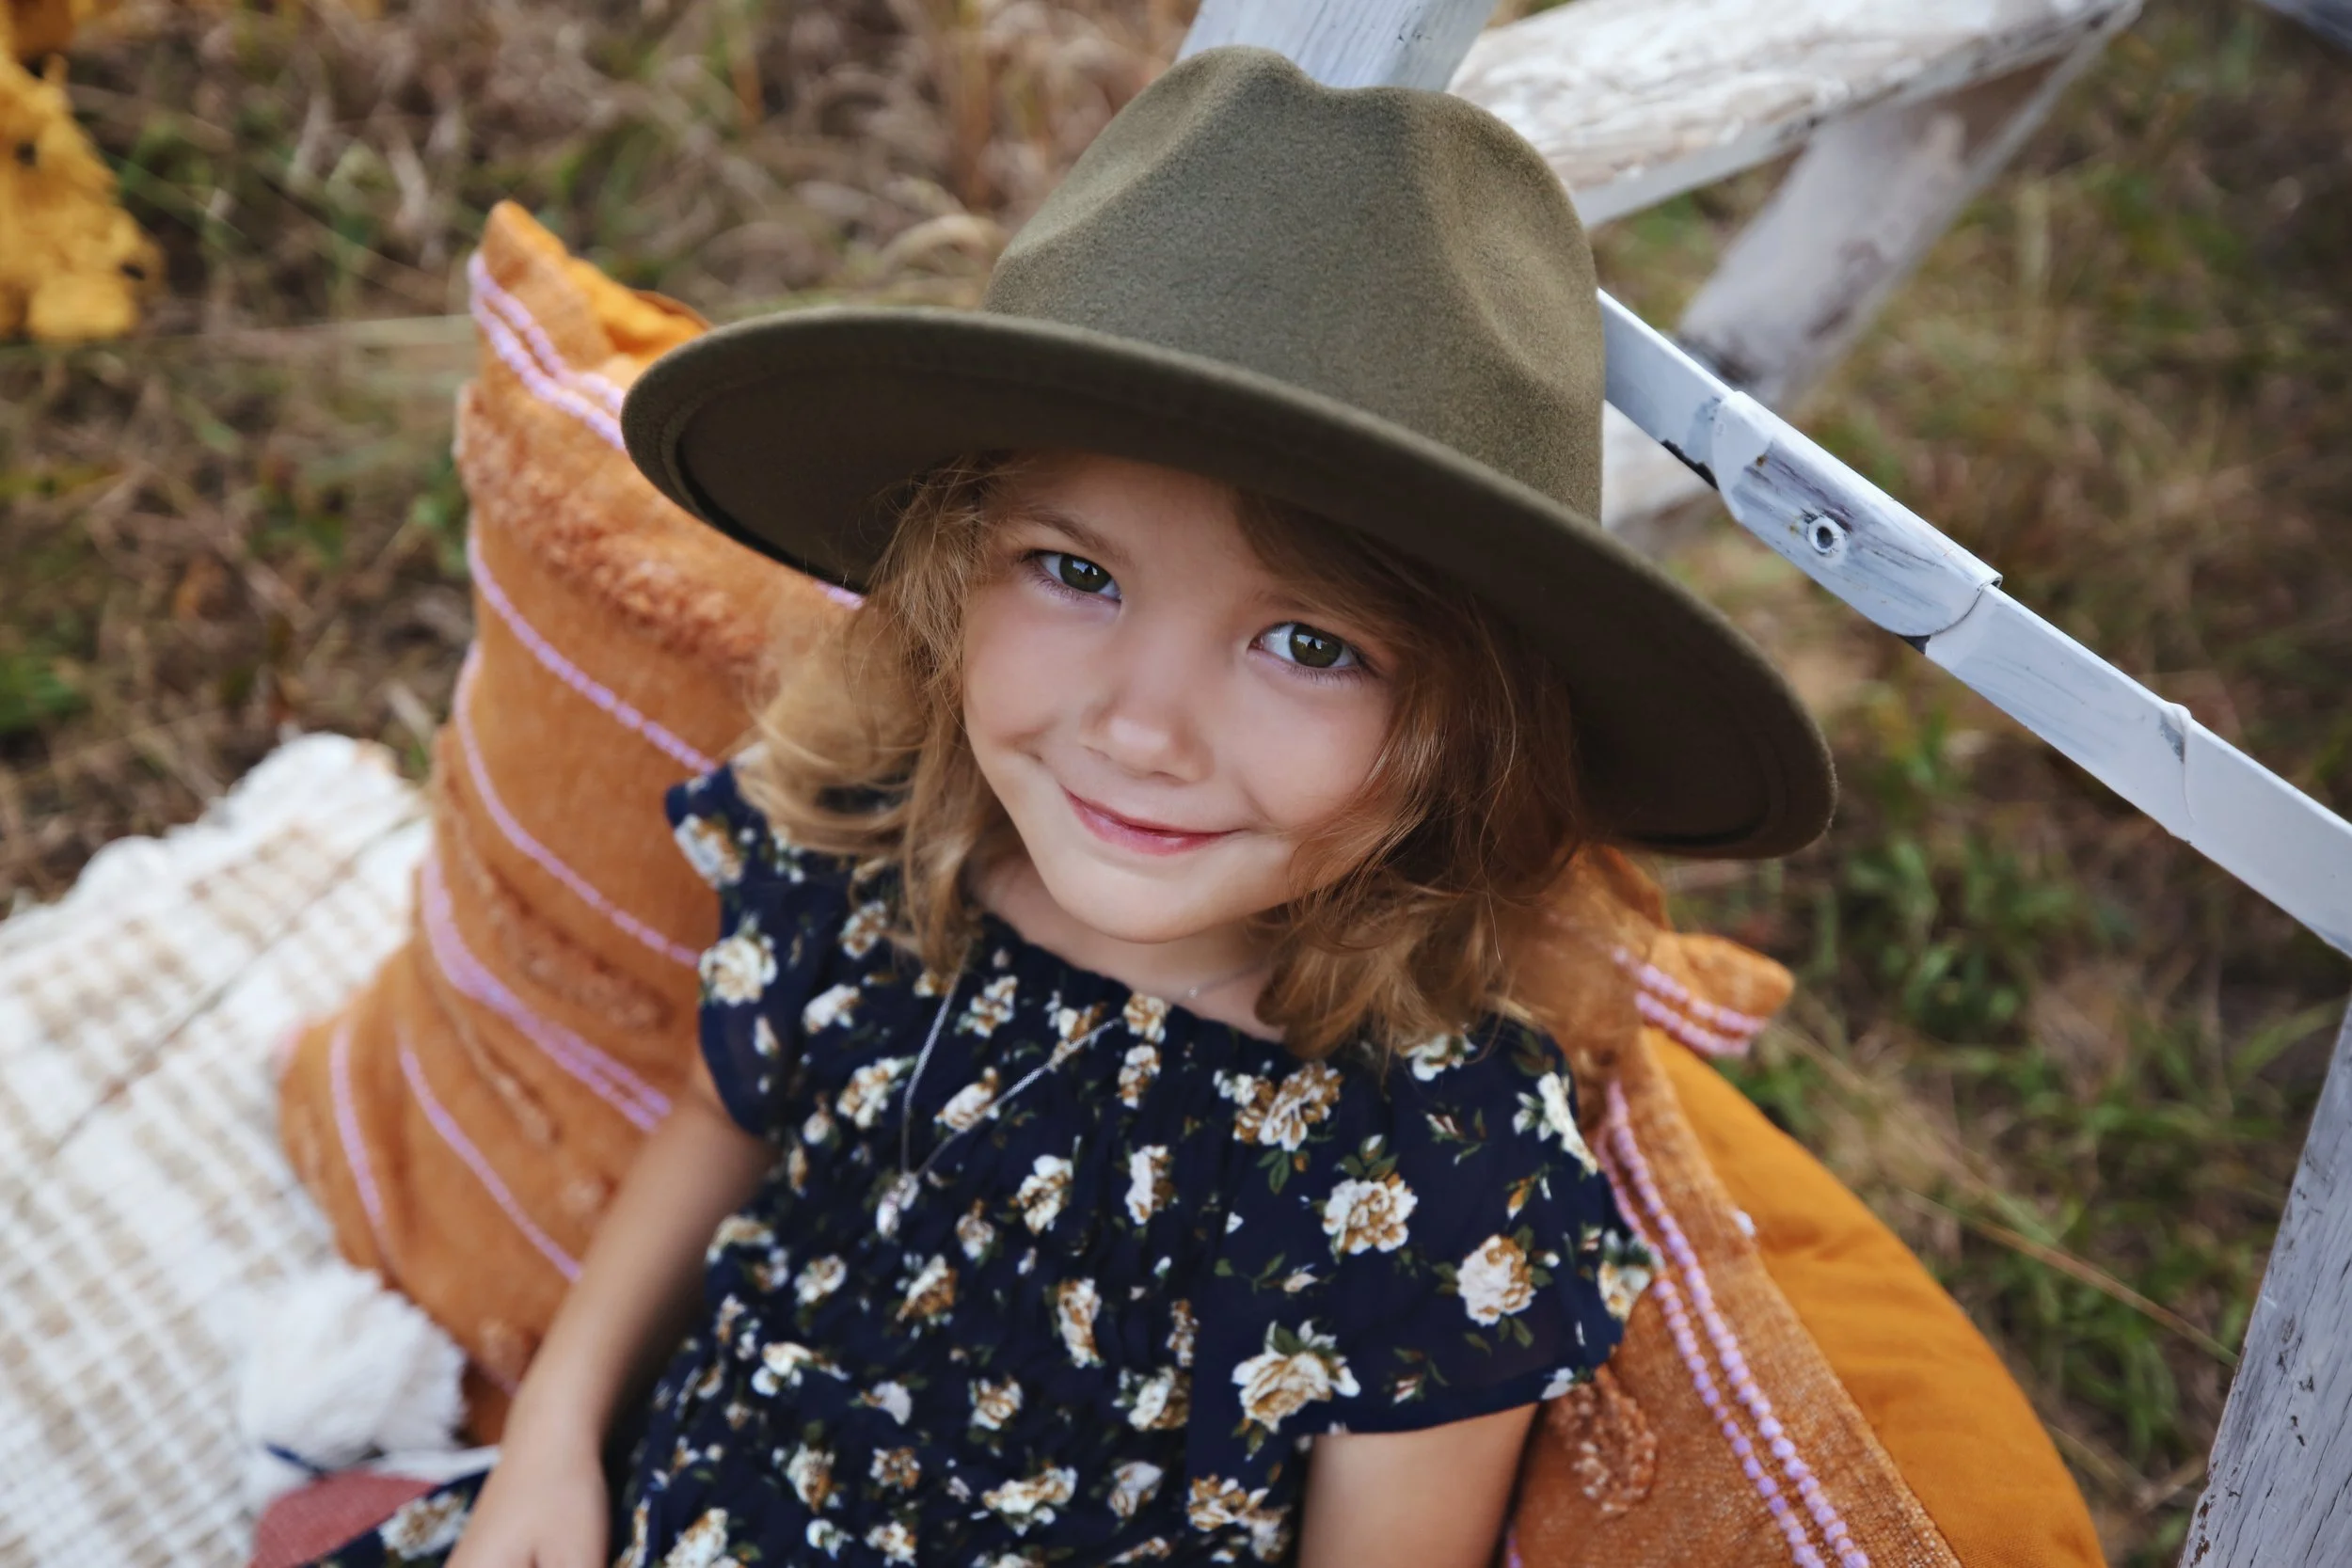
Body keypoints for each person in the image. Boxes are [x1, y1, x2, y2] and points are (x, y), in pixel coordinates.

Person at [310, 43, 1833, 1568]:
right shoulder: (882, 847)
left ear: (1469, 740)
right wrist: (557, 1440)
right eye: (1077, 572)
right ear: (947, 564)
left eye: (1308, 644)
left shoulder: (1429, 1168)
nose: (1142, 727)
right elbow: (721, 1121)